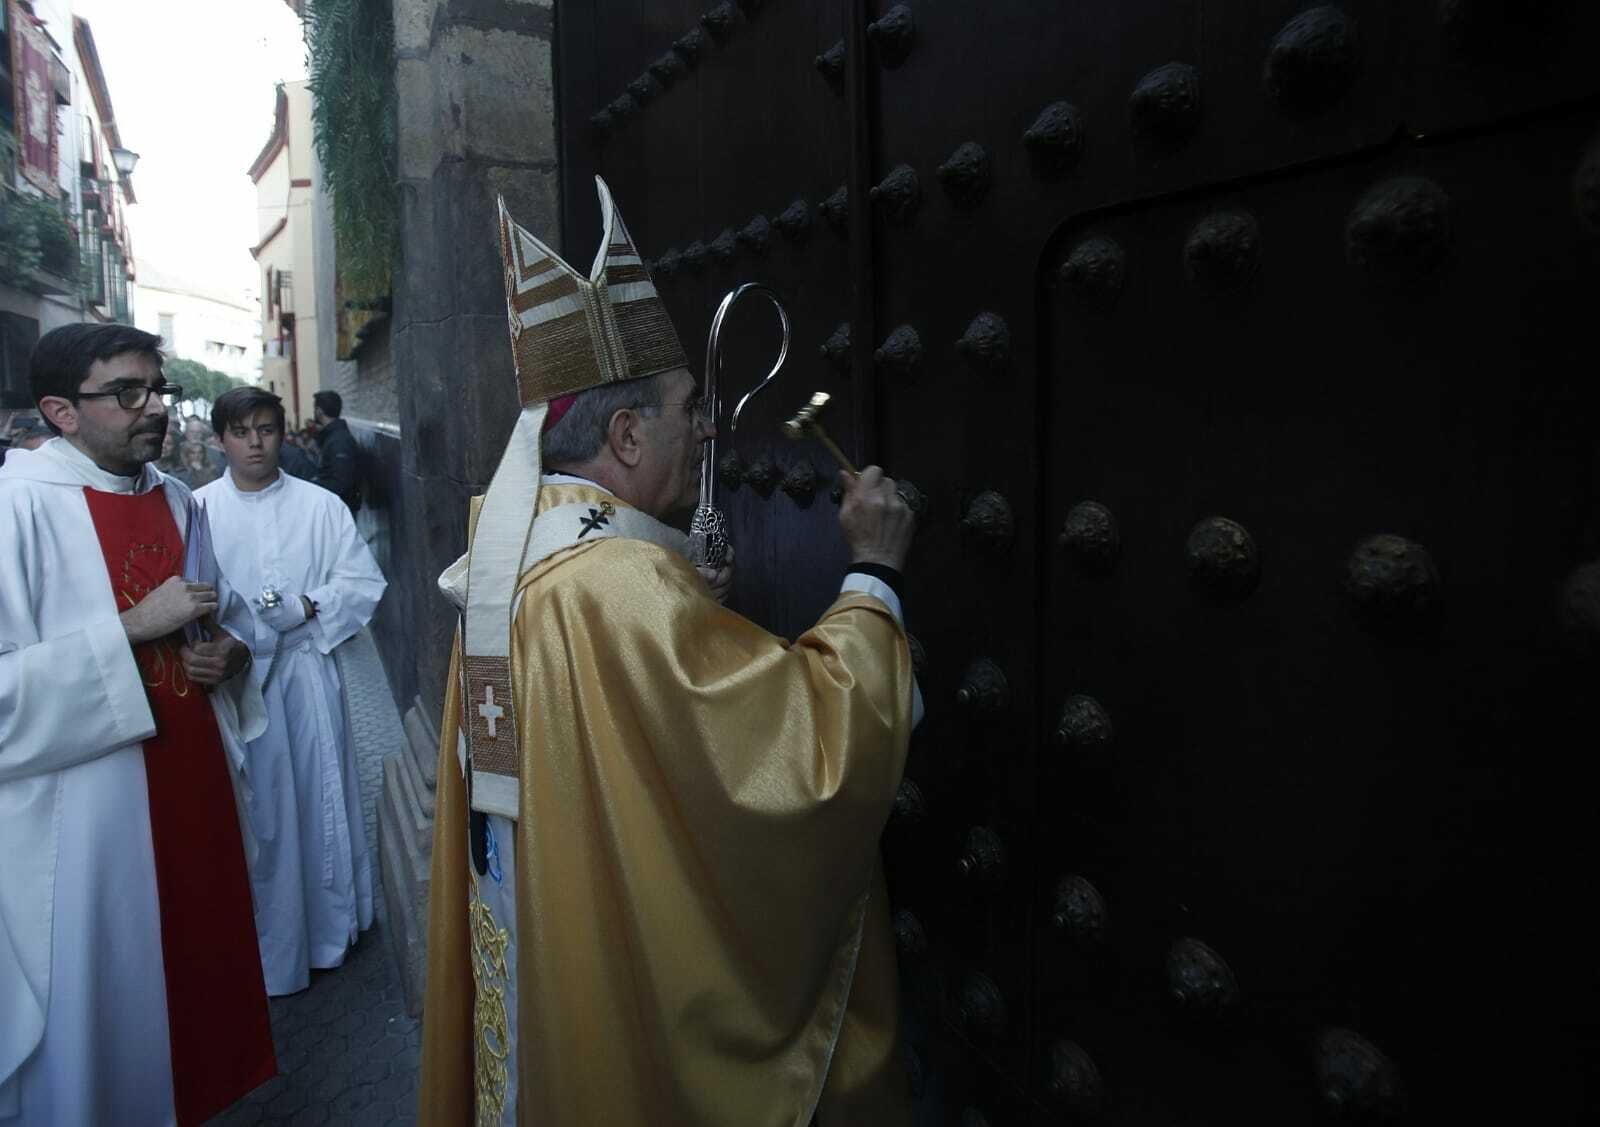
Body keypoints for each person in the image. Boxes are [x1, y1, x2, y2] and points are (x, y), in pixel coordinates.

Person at [419, 179, 921, 1126]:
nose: (706, 429)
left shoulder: (508, 562)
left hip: (556, 974)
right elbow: (806, 761)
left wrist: (686, 611)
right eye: (689, 407)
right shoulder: (618, 588)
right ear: (624, 431)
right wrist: (874, 580)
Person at [0, 324, 275, 1125]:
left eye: (158, 389)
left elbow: (219, 628)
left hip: (194, 798)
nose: (154, 407)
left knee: (192, 1016)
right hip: (83, 833)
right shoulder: (16, 508)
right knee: (106, 1035)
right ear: (60, 411)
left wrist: (232, 657)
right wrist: (127, 630)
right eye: (128, 392)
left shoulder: (179, 499)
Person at [197, 386, 387, 996]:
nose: (255, 443)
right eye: (241, 431)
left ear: (284, 433)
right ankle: (264, 950)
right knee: (256, 812)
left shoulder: (320, 507)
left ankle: (331, 929)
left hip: (305, 679)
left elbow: (360, 580)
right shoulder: (196, 512)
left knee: (317, 793)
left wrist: (308, 604)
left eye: (266, 429)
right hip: (236, 686)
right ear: (220, 438)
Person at [311, 390, 361, 512]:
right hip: (336, 505)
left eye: (314, 408)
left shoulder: (339, 440)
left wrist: (314, 486)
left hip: (341, 509)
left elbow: (342, 483)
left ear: (319, 411)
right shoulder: (332, 436)